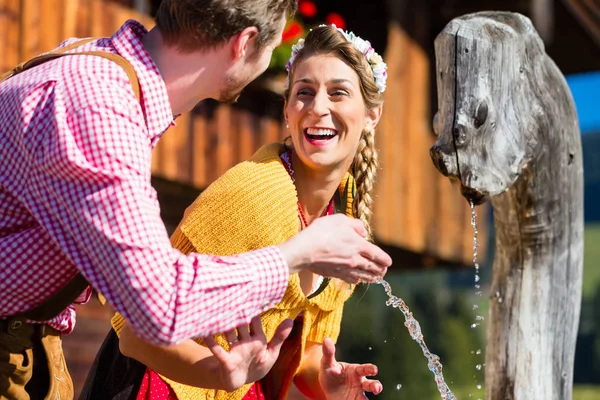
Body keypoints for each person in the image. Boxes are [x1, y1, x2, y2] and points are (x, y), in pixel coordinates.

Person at [0, 0, 392, 398]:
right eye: (279, 50)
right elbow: (155, 306)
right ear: (245, 44)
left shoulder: (104, 81)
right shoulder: (99, 110)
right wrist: (296, 255)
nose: (317, 107)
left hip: (27, 345)